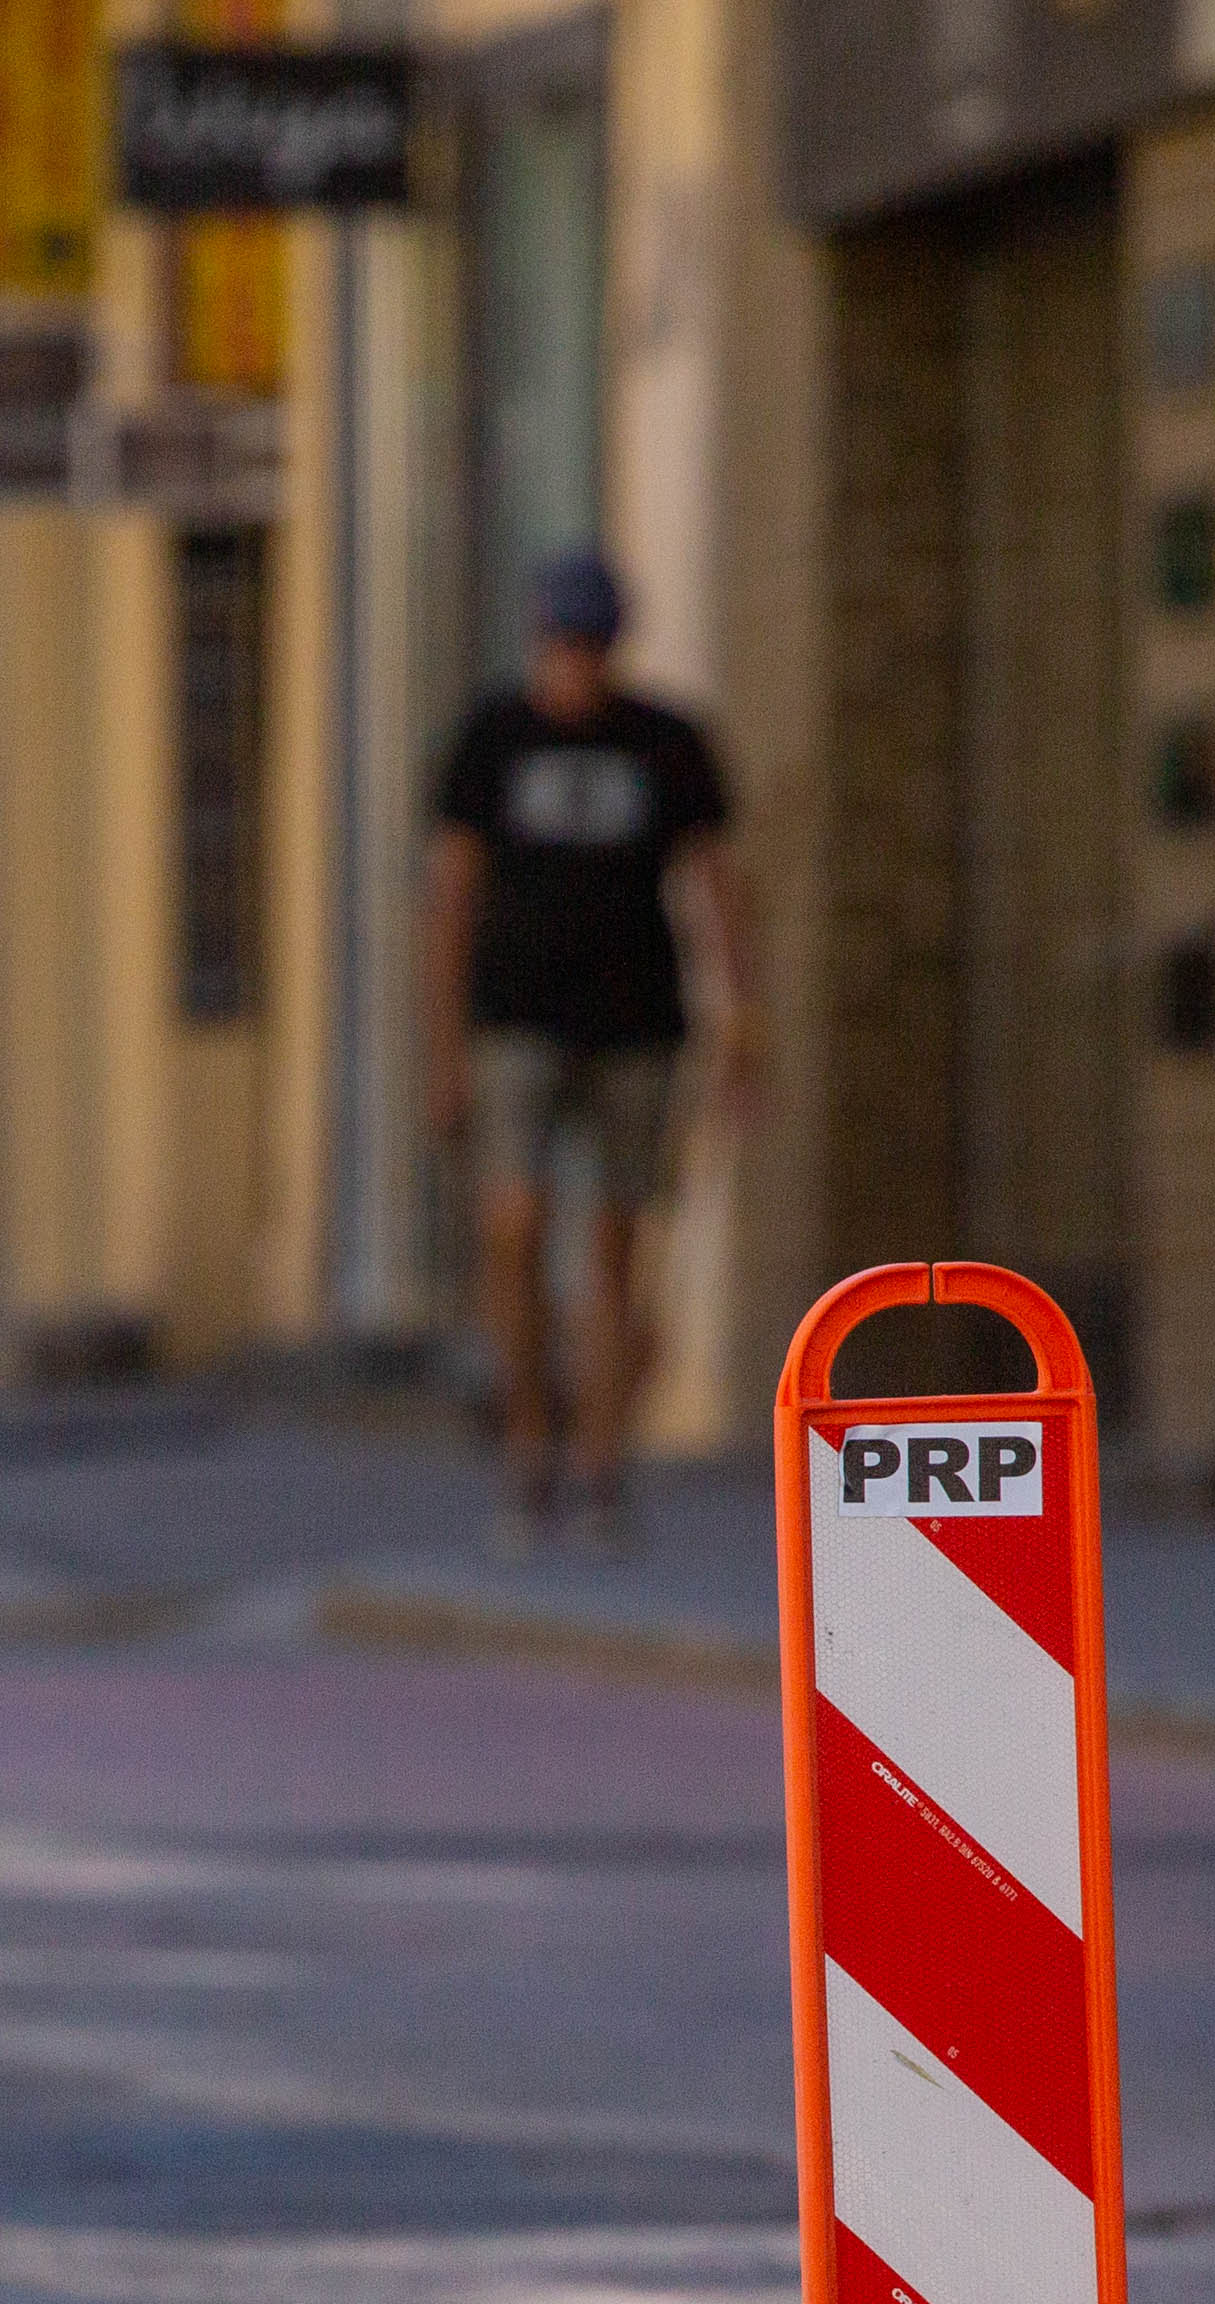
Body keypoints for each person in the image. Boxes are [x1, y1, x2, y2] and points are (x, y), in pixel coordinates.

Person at [423, 550, 752, 1553]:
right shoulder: (492, 737)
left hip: (637, 1024)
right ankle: (528, 1445)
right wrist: (440, 1047)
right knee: (514, 1224)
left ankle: (601, 1468)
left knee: (618, 1245)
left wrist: (743, 1017)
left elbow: (717, 883)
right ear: (537, 645)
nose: (578, 665)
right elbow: (450, 897)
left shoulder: (665, 742)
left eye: (594, 647)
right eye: (563, 645)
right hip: (514, 1018)